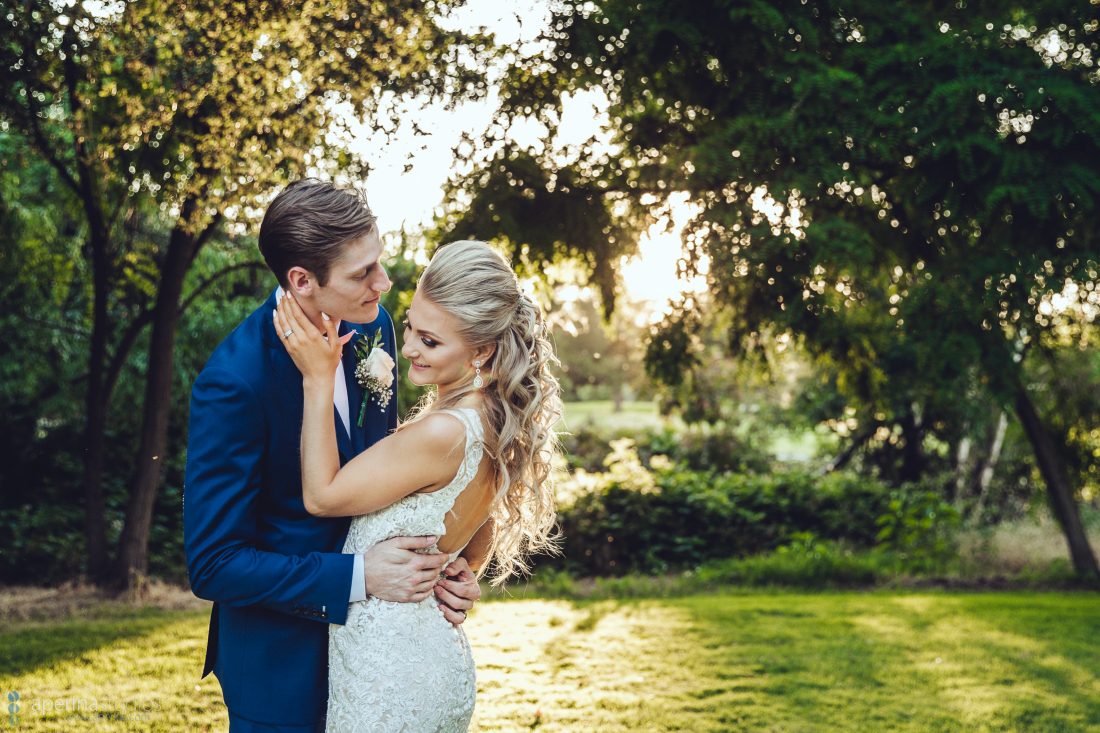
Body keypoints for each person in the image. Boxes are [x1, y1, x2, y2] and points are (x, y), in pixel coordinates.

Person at [183, 180, 483, 732]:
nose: (383, 284)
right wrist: (357, 576)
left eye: (379, 263)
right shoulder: (235, 381)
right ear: (302, 280)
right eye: (361, 273)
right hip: (282, 672)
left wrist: (453, 568)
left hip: (383, 658)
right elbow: (214, 564)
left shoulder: (379, 331)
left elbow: (391, 483)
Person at [273, 238, 562, 732]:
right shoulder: (490, 419)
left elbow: (322, 496)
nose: (407, 348)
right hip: (430, 663)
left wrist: (318, 378)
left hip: (391, 679)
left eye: (430, 341)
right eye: (410, 327)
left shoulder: (441, 433)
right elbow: (477, 525)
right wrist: (463, 569)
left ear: (482, 350)